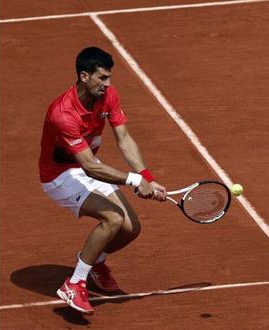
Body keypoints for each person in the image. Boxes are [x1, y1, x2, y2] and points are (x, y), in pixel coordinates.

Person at [39, 46, 168, 314]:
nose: (108, 84)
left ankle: (94, 260)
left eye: (109, 77)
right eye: (102, 78)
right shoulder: (62, 114)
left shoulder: (108, 96)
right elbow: (88, 166)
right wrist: (134, 181)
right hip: (60, 175)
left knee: (131, 229)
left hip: (88, 166)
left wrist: (147, 177)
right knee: (113, 219)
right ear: (84, 76)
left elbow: (124, 139)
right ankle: (74, 283)